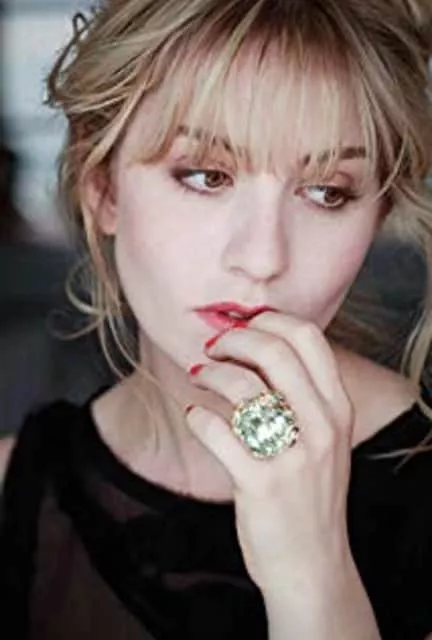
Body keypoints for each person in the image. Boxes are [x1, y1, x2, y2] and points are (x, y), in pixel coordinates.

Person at [1, 0, 432, 638]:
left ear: (377, 214)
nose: (263, 257)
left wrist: (314, 576)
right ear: (104, 188)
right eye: (206, 175)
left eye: (327, 192)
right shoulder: (14, 496)